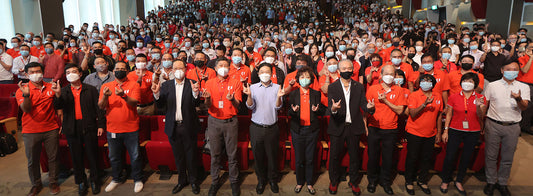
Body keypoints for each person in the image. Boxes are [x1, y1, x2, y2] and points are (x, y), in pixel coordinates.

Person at [152, 59, 202, 195]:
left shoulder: (192, 83)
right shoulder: (167, 85)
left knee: (191, 155)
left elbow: (196, 103)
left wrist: (196, 93)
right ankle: (181, 180)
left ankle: (193, 181)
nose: (178, 70)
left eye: (181, 68)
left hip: (188, 126)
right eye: (175, 68)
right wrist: (156, 94)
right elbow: (161, 105)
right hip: (173, 126)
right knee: (178, 156)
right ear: (172, 70)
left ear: (185, 69)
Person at [54, 64, 105, 195]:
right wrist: (58, 95)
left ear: (80, 74)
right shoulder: (63, 90)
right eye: (68, 72)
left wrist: (100, 125)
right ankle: (81, 182)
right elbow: (58, 106)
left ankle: (94, 180)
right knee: (76, 156)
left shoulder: (91, 89)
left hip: (89, 125)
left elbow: (98, 108)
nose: (71, 74)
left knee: (92, 154)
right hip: (71, 126)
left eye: (74, 71)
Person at [327, 60, 375, 196]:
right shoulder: (332, 87)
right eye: (344, 68)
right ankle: (334, 181)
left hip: (354, 127)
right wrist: (334, 109)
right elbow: (331, 109)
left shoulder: (359, 86)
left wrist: (370, 108)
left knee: (354, 156)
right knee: (334, 156)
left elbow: (364, 104)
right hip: (337, 127)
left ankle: (354, 182)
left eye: (349, 68)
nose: (347, 70)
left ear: (353, 69)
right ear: (338, 70)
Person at [483, 62, 530, 196]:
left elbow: (524, 107)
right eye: (509, 69)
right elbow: (485, 104)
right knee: (491, 156)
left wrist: (518, 99)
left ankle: (502, 183)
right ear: (502, 70)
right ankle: (491, 182)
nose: (512, 71)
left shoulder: (523, 87)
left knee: (507, 157)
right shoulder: (492, 85)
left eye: (515, 69)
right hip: (493, 124)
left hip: (513, 126)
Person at [15, 62, 61, 196]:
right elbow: (26, 109)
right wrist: (26, 95)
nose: (36, 74)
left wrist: (58, 95)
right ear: (27, 74)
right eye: (32, 72)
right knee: (32, 160)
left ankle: (53, 182)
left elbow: (59, 106)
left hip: (51, 128)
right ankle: (36, 184)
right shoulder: (22, 89)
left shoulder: (51, 87)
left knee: (53, 157)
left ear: (43, 72)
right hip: (30, 130)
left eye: (38, 71)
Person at [98, 61, 144, 193]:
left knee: (135, 156)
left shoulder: (134, 85)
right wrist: (106, 97)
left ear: (127, 71)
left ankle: (138, 179)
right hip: (112, 128)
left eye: (122, 68)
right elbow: (101, 106)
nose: (119, 70)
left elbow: (135, 103)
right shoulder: (106, 86)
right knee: (114, 156)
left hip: (131, 128)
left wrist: (123, 95)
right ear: (113, 71)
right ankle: (116, 178)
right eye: (117, 68)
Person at [440, 73, 486, 195]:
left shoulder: (481, 97)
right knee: (450, 157)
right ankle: (445, 180)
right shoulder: (454, 97)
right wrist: (446, 130)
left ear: (475, 84)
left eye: (470, 81)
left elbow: (481, 116)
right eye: (465, 80)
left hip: (473, 131)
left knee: (466, 158)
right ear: (461, 82)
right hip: (455, 130)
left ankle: (459, 180)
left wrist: (478, 106)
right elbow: (449, 114)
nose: (467, 83)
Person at [243, 63, 285, 194]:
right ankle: (261, 180)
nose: (264, 74)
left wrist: (279, 97)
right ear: (259, 73)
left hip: (272, 127)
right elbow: (250, 107)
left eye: (267, 71)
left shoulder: (278, 87)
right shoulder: (253, 88)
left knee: (272, 156)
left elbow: (278, 107)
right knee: (258, 155)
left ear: (271, 73)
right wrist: (249, 95)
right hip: (256, 128)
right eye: (262, 71)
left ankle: (273, 180)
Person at [203, 57, 243, 196]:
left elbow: (238, 105)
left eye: (226, 65)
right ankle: (214, 181)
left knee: (232, 155)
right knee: (215, 154)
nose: (223, 67)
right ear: (215, 68)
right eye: (221, 65)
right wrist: (207, 99)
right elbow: (207, 106)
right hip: (214, 121)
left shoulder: (236, 83)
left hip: (231, 122)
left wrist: (232, 99)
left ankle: (234, 181)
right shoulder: (209, 83)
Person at [366, 65, 407, 195]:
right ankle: (372, 181)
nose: (389, 76)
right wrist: (365, 125)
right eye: (387, 73)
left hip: (391, 129)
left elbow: (400, 110)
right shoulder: (373, 89)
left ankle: (385, 182)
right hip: (374, 128)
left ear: (395, 76)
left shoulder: (399, 90)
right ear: (382, 75)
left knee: (388, 158)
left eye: (392, 74)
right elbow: (366, 110)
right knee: (373, 156)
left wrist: (386, 101)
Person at [404, 74, 443, 195]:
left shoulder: (438, 96)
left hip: (431, 133)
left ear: (433, 83)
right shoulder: (414, 95)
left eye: (429, 81)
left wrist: (439, 132)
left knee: (426, 159)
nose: (426, 82)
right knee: (412, 157)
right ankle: (409, 181)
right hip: (414, 132)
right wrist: (424, 104)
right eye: (423, 80)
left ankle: (422, 180)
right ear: (419, 83)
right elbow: (412, 113)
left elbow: (439, 115)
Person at [288, 66, 324, 195]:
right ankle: (299, 182)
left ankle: (309, 183)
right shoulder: (293, 93)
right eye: (302, 77)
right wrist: (293, 111)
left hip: (312, 130)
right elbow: (288, 112)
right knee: (299, 158)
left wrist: (317, 110)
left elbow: (322, 111)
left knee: (309, 158)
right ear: (298, 79)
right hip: (297, 130)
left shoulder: (316, 94)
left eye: (307, 77)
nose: (304, 79)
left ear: (311, 79)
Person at [517, 42, 533, 134]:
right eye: (532, 48)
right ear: (527, 50)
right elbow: (525, 70)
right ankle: (518, 127)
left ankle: (525, 126)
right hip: (525, 84)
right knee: (523, 106)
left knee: (530, 108)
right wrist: (531, 58)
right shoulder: (521, 59)